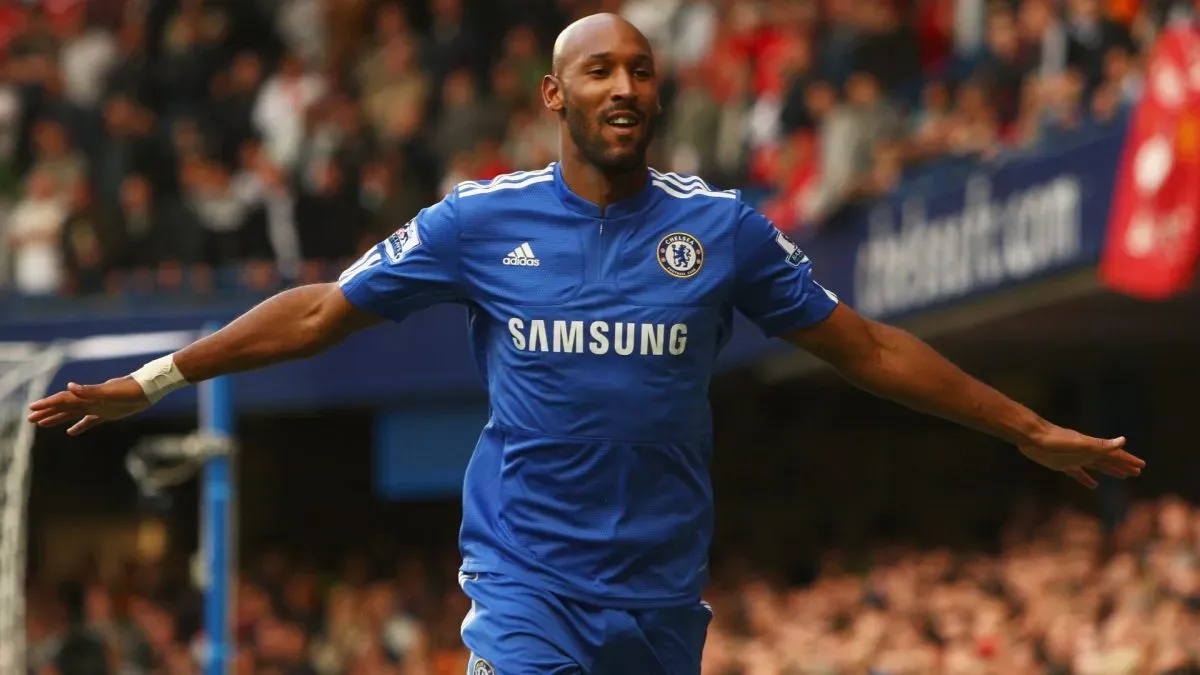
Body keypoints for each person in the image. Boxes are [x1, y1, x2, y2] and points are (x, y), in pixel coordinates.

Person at [30, 14, 1144, 675]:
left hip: (660, 594)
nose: (626, 87)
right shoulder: (478, 220)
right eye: (601, 72)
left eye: (642, 71)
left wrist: (1029, 428)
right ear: (555, 95)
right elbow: (322, 309)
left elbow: (865, 348)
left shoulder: (721, 231)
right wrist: (159, 376)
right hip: (528, 581)